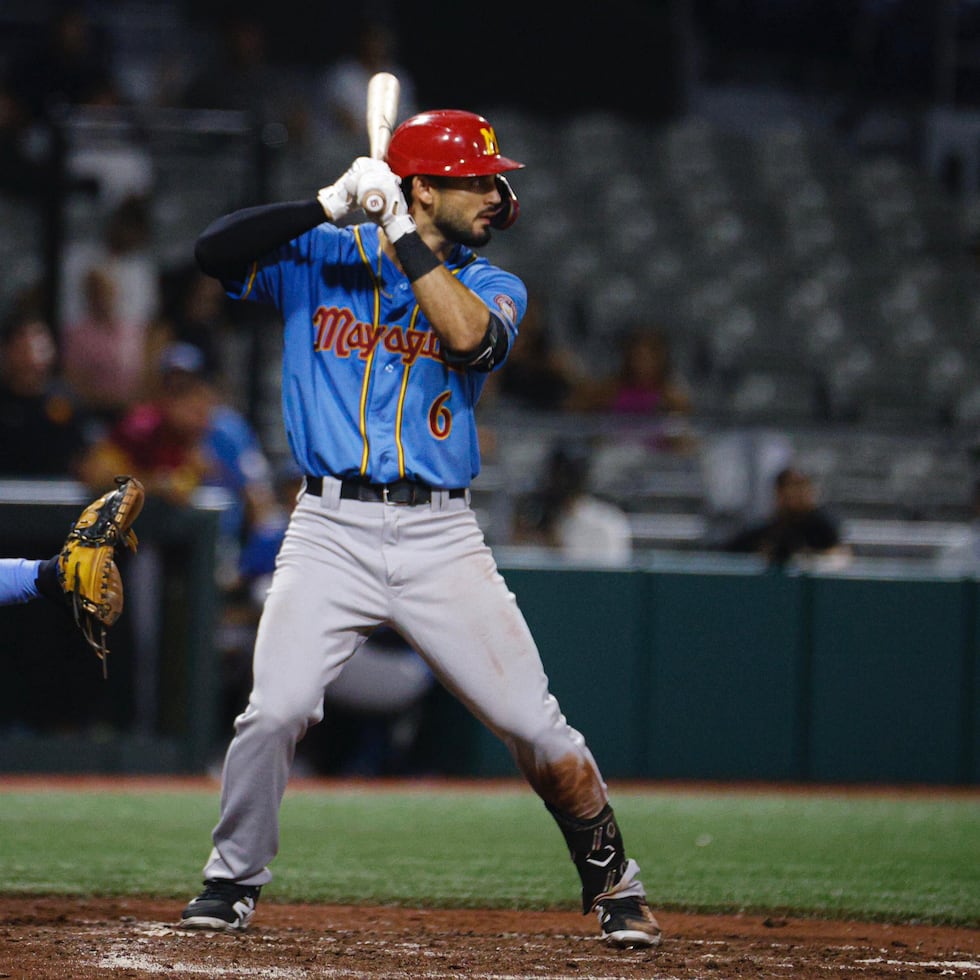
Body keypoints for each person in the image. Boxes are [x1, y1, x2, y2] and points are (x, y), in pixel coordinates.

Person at [177, 107, 662, 948]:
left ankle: (616, 881)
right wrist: (323, 207)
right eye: (475, 178)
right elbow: (211, 252)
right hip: (328, 526)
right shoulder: (321, 256)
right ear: (427, 184)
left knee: (533, 725)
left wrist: (400, 229)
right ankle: (231, 880)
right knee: (274, 710)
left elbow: (471, 342)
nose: (493, 191)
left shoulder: (492, 282)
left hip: (441, 538)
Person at [0, 301, 91, 478]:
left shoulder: (67, 402)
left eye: (39, 347)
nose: (31, 359)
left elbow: (85, 457)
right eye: (21, 348)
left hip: (58, 496)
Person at [511, 442, 633, 565]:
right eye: (557, 476)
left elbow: (611, 576)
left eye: (568, 476)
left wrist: (556, 547)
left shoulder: (607, 523)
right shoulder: (535, 518)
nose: (561, 484)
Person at [724, 465, 852, 568]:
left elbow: (837, 556)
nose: (796, 494)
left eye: (801, 486)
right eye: (789, 487)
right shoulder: (768, 529)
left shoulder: (823, 525)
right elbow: (733, 553)